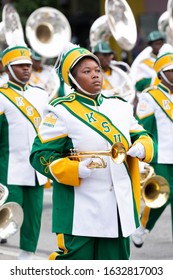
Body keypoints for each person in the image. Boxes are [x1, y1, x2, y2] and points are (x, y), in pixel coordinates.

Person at [30, 43, 156, 260]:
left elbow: (142, 135)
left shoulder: (120, 106)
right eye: (86, 72)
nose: (96, 75)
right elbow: (39, 155)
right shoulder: (61, 110)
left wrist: (142, 146)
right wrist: (73, 169)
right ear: (73, 78)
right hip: (80, 210)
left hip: (119, 208)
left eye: (97, 70)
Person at [0, 44, 49, 259]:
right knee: (9, 212)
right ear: (8, 68)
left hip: (35, 167)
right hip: (8, 166)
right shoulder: (1, 96)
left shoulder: (41, 94)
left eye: (28, 65)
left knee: (34, 214)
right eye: (20, 66)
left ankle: (27, 253)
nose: (26, 69)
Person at [132, 48, 173, 248]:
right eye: (171, 70)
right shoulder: (150, 96)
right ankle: (142, 226)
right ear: (161, 74)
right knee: (163, 196)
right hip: (162, 157)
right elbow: (144, 130)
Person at [92, 40, 135, 105]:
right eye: (104, 55)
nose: (108, 58)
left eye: (110, 55)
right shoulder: (91, 74)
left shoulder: (118, 72)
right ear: (95, 56)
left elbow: (128, 90)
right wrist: (110, 93)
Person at [130, 30, 165, 111]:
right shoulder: (143, 63)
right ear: (150, 45)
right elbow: (139, 85)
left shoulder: (169, 58)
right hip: (151, 100)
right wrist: (160, 80)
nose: (159, 46)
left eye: (161, 43)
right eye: (156, 44)